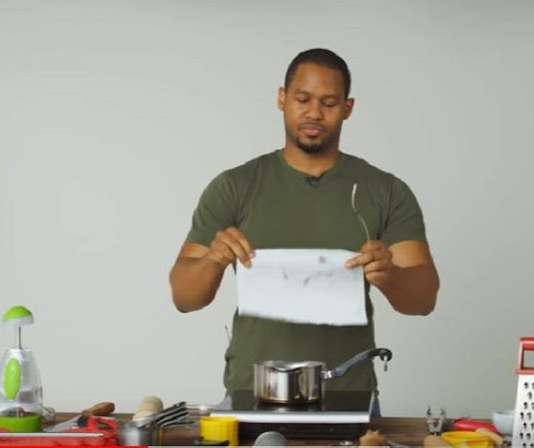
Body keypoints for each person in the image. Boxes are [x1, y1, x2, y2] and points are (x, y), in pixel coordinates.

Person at [169, 48, 439, 415]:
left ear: (348, 108)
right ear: (282, 99)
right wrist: (214, 260)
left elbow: (423, 300)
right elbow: (185, 298)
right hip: (253, 391)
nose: (314, 112)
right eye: (303, 99)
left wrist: (389, 276)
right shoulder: (235, 186)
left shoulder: (385, 191)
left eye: (329, 102)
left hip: (349, 393)